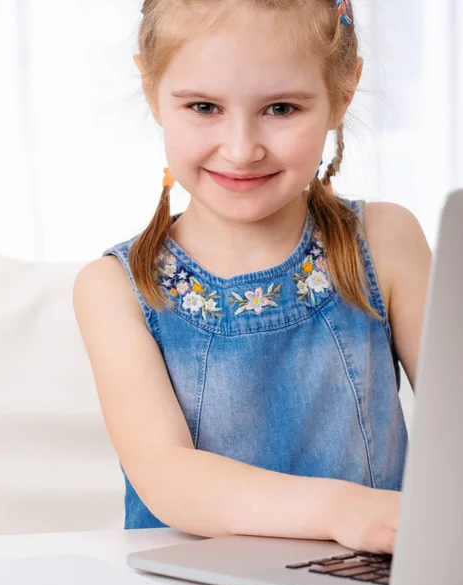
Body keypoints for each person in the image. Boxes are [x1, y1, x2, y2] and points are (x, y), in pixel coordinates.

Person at [73, 0, 432, 555]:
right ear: (151, 90)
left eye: (282, 107)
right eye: (204, 106)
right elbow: (167, 475)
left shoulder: (386, 243)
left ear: (343, 93)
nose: (241, 150)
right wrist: (343, 510)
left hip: (370, 579)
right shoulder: (115, 288)